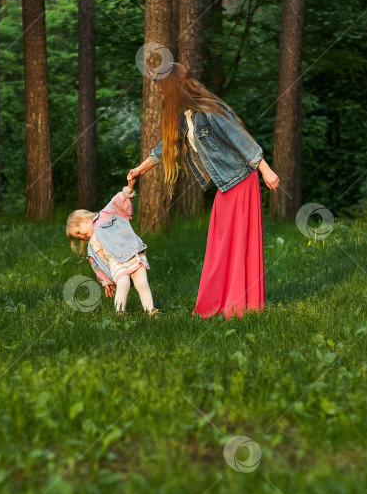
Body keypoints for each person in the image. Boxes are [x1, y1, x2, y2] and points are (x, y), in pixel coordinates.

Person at [127, 62, 280, 319]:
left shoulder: (209, 110)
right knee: (220, 245)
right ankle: (216, 303)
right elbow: (166, 146)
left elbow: (239, 138)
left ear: (174, 89)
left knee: (236, 243)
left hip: (242, 180)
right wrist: (139, 170)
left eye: (163, 91)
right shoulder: (186, 118)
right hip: (227, 184)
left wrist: (265, 169)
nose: (162, 97)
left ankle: (240, 306)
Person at [66, 178, 159, 315]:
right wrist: (106, 280)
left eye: (79, 232)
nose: (81, 237)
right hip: (115, 263)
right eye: (77, 237)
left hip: (130, 252)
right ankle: (119, 312)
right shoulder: (91, 248)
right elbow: (97, 265)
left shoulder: (104, 216)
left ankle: (150, 310)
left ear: (83, 220)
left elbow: (115, 203)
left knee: (142, 282)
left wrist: (127, 191)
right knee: (123, 283)